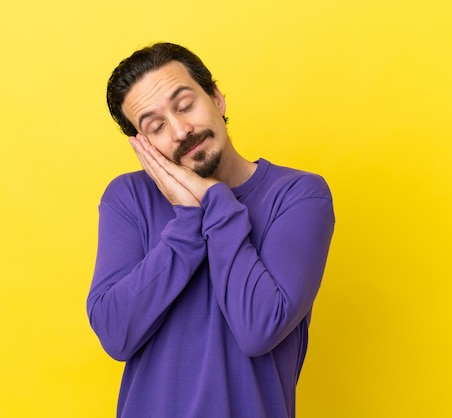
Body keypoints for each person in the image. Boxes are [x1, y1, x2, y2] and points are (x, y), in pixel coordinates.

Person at [87, 42, 335, 418]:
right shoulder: (128, 197)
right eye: (156, 126)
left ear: (216, 98)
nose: (181, 130)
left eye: (185, 105)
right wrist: (188, 221)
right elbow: (116, 334)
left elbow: (259, 328)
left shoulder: (298, 195)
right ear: (143, 144)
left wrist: (215, 200)